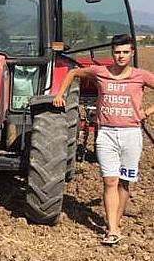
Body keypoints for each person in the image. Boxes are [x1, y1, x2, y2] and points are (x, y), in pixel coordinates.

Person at [54, 34, 154, 245]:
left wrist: (147, 112)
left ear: (132, 53)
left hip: (131, 134)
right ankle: (113, 228)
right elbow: (73, 72)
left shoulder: (140, 75)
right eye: (117, 52)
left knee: (124, 183)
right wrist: (60, 94)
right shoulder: (100, 72)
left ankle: (115, 222)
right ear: (112, 53)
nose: (121, 56)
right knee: (109, 181)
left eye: (125, 52)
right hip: (106, 133)